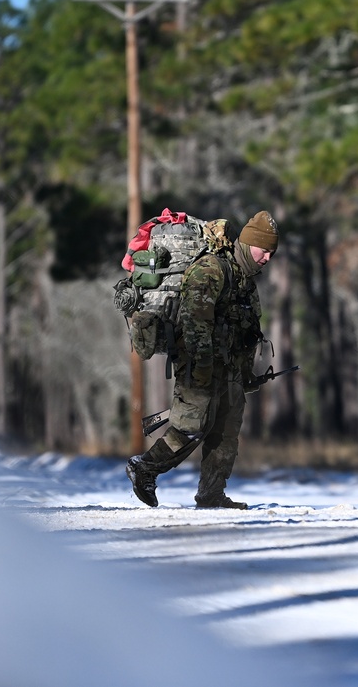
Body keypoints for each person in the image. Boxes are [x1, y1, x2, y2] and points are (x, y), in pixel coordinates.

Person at [126, 210, 279, 509]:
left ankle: (212, 493)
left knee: (226, 431)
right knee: (191, 426)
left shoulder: (245, 280)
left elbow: (248, 329)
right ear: (249, 244)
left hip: (230, 366)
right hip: (200, 364)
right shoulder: (211, 269)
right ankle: (145, 467)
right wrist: (202, 370)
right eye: (265, 251)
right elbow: (195, 321)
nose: (268, 259)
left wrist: (245, 373)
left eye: (272, 253)